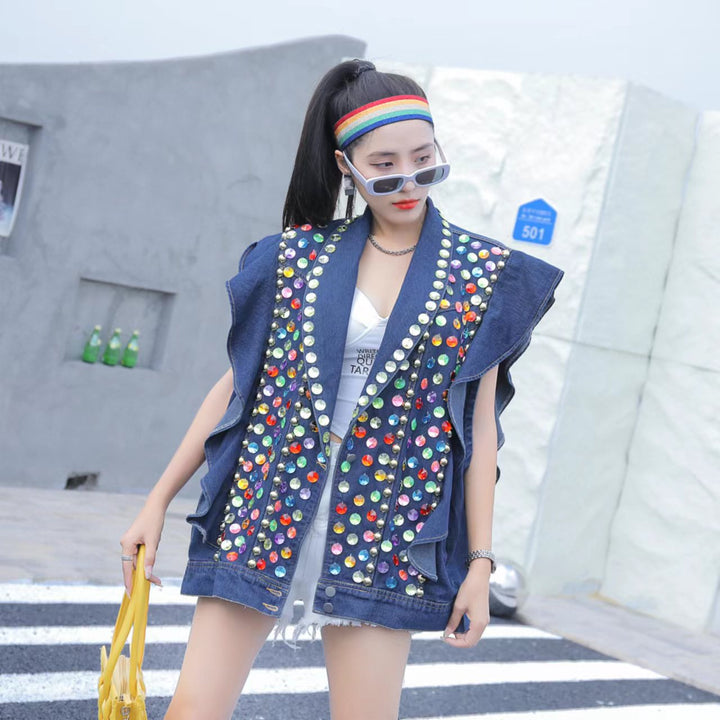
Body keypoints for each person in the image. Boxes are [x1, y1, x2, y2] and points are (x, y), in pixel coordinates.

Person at [120, 58, 564, 720]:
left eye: (424, 156)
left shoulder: (482, 275)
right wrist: (155, 501)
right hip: (265, 509)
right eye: (385, 163)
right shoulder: (295, 257)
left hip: (386, 530)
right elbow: (239, 388)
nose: (409, 178)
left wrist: (479, 562)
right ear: (346, 166)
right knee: (192, 712)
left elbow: (477, 430)